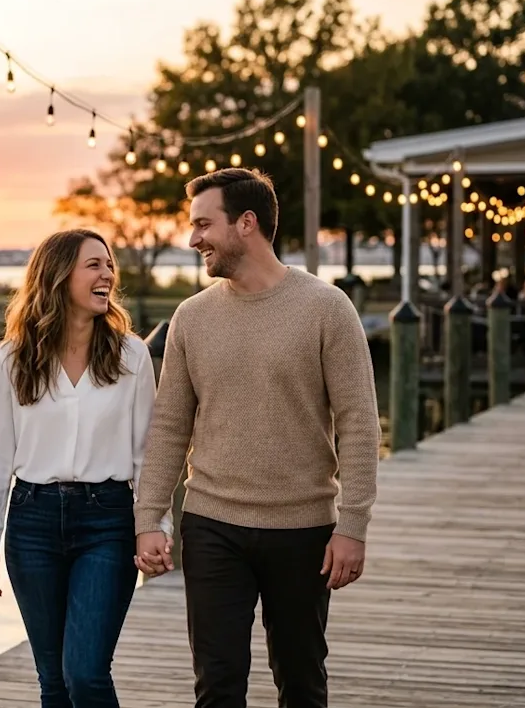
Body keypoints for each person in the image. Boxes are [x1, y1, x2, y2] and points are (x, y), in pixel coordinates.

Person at [133, 168, 381, 708]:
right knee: (217, 686)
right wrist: (149, 518)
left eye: (204, 224)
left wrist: (353, 525)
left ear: (246, 223)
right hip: (211, 524)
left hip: (304, 529)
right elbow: (170, 427)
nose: (193, 239)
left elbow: (360, 423)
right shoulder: (191, 317)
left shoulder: (327, 308)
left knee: (301, 681)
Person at [0, 228, 170, 707]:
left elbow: (149, 454)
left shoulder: (131, 355)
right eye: (94, 265)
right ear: (59, 276)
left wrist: (155, 526)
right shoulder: (13, 358)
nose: (108, 275)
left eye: (109, 265)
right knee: (53, 682)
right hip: (32, 521)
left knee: (85, 673)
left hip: (108, 521)